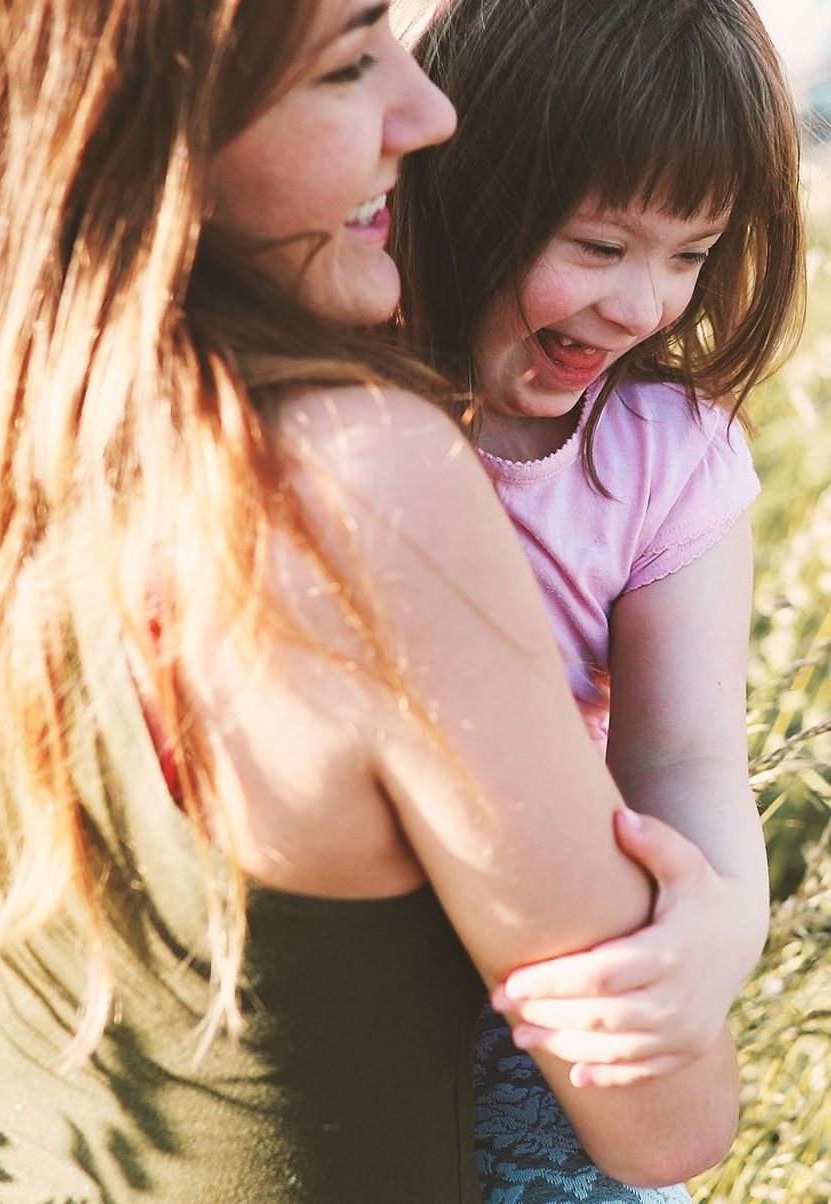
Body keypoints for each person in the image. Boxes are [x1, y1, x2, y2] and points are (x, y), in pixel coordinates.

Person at [0, 1, 740, 1200]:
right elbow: (667, 1122)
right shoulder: (363, 482)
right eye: (348, 62)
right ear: (150, 119)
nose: (432, 112)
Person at [391, 0, 805, 1199]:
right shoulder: (347, 399)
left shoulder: (666, 456)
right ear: (458, 183)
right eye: (599, 244)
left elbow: (681, 759)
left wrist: (720, 929)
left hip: (543, 968)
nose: (644, 306)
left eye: (691, 253)